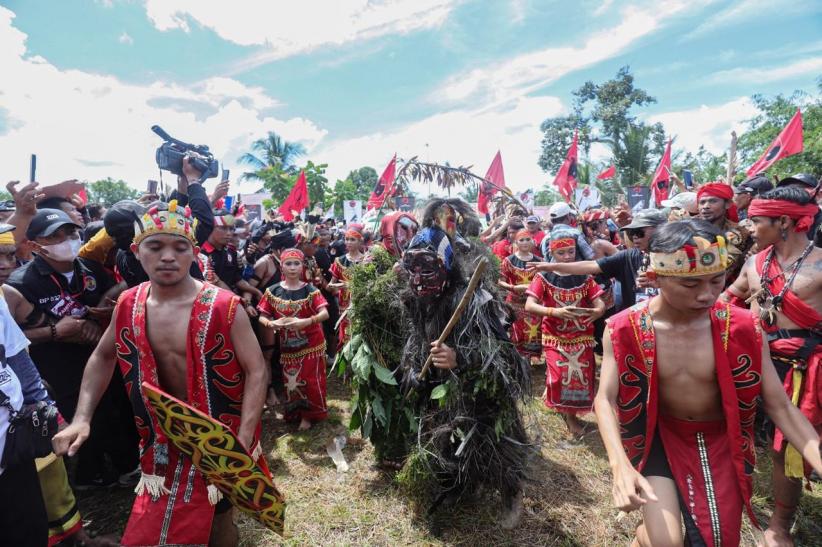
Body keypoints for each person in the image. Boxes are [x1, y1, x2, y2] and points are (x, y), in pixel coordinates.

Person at [52, 201, 268, 546]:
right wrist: (81, 418)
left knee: (221, 512)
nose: (168, 256)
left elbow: (256, 369)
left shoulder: (223, 305)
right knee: (160, 511)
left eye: (180, 247)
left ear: (194, 254)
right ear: (137, 252)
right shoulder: (128, 304)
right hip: (160, 434)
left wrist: (243, 435)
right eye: (155, 246)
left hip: (218, 434)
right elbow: (102, 357)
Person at [594, 219, 822, 547]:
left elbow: (780, 405)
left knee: (716, 540)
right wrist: (619, 466)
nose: (706, 294)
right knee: (666, 542)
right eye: (690, 285)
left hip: (720, 439)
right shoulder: (623, 327)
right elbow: (604, 399)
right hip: (659, 435)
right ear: (656, 278)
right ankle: (644, 537)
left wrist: (816, 456)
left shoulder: (744, 327)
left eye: (716, 281)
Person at [400, 215, 531, 530]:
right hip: (440, 388)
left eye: (427, 268)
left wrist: (462, 358)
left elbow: (508, 358)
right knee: (444, 441)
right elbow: (413, 346)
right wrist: (413, 372)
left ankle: (511, 493)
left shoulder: (475, 300)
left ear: (445, 266)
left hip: (479, 387)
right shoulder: (413, 300)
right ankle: (458, 484)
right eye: (411, 269)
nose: (418, 278)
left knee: (497, 442)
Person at [7, 208, 139, 489]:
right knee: (78, 415)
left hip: (99, 355)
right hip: (58, 366)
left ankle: (126, 468)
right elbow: (12, 338)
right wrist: (55, 332)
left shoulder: (90, 269)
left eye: (70, 234)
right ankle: (88, 476)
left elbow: (118, 295)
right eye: (54, 237)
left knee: (113, 408)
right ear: (34, 245)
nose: (66, 241)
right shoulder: (20, 284)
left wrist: (105, 309)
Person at [722, 186, 822, 546]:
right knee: (733, 430)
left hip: (802, 369)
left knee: (786, 448)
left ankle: (780, 525)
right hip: (753, 362)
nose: (750, 226)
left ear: (784, 221)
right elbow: (728, 296)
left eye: (757, 220)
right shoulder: (755, 262)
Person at [525, 225, 606, 437]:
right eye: (561, 253)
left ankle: (571, 415)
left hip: (582, 337)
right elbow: (530, 305)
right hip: (555, 336)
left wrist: (597, 312)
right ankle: (569, 417)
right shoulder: (543, 277)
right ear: (551, 252)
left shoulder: (585, 277)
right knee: (562, 376)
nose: (567, 257)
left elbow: (600, 304)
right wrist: (555, 311)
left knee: (581, 379)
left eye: (570, 251)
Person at [530, 209, 667, 313]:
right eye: (631, 233)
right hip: (639, 323)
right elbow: (591, 265)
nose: (635, 237)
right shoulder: (628, 256)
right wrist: (551, 267)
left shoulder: (682, 258)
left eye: (640, 232)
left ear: (662, 230)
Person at [258, 248, 330, 431]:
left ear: (302, 266)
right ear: (281, 266)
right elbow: (262, 316)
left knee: (310, 379)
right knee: (292, 380)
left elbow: (325, 313)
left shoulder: (310, 290)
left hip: (312, 343)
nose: (292, 267)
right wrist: (271, 324)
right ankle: (295, 413)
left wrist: (306, 321)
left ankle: (309, 415)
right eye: (288, 263)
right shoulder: (272, 291)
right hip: (288, 345)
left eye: (296, 263)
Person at [697, 182, 752, 284]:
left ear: (728, 204)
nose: (706, 206)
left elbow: (722, 270)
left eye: (713, 201)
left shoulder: (739, 233)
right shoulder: (687, 228)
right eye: (702, 202)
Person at [499, 229, 542, 360]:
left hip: (533, 305)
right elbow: (500, 281)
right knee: (516, 332)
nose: (525, 242)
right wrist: (514, 287)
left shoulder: (540, 261)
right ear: (516, 242)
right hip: (514, 305)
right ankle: (518, 359)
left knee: (533, 331)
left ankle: (531, 358)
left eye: (528, 239)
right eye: (521, 240)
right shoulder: (508, 261)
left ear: (533, 241)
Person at [329, 225, 365, 348]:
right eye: (347, 239)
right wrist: (339, 286)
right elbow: (330, 285)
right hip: (344, 306)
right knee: (345, 337)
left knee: (361, 337)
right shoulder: (339, 261)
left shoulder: (367, 260)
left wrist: (350, 285)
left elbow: (370, 284)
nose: (348, 242)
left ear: (360, 241)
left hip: (362, 304)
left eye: (352, 239)